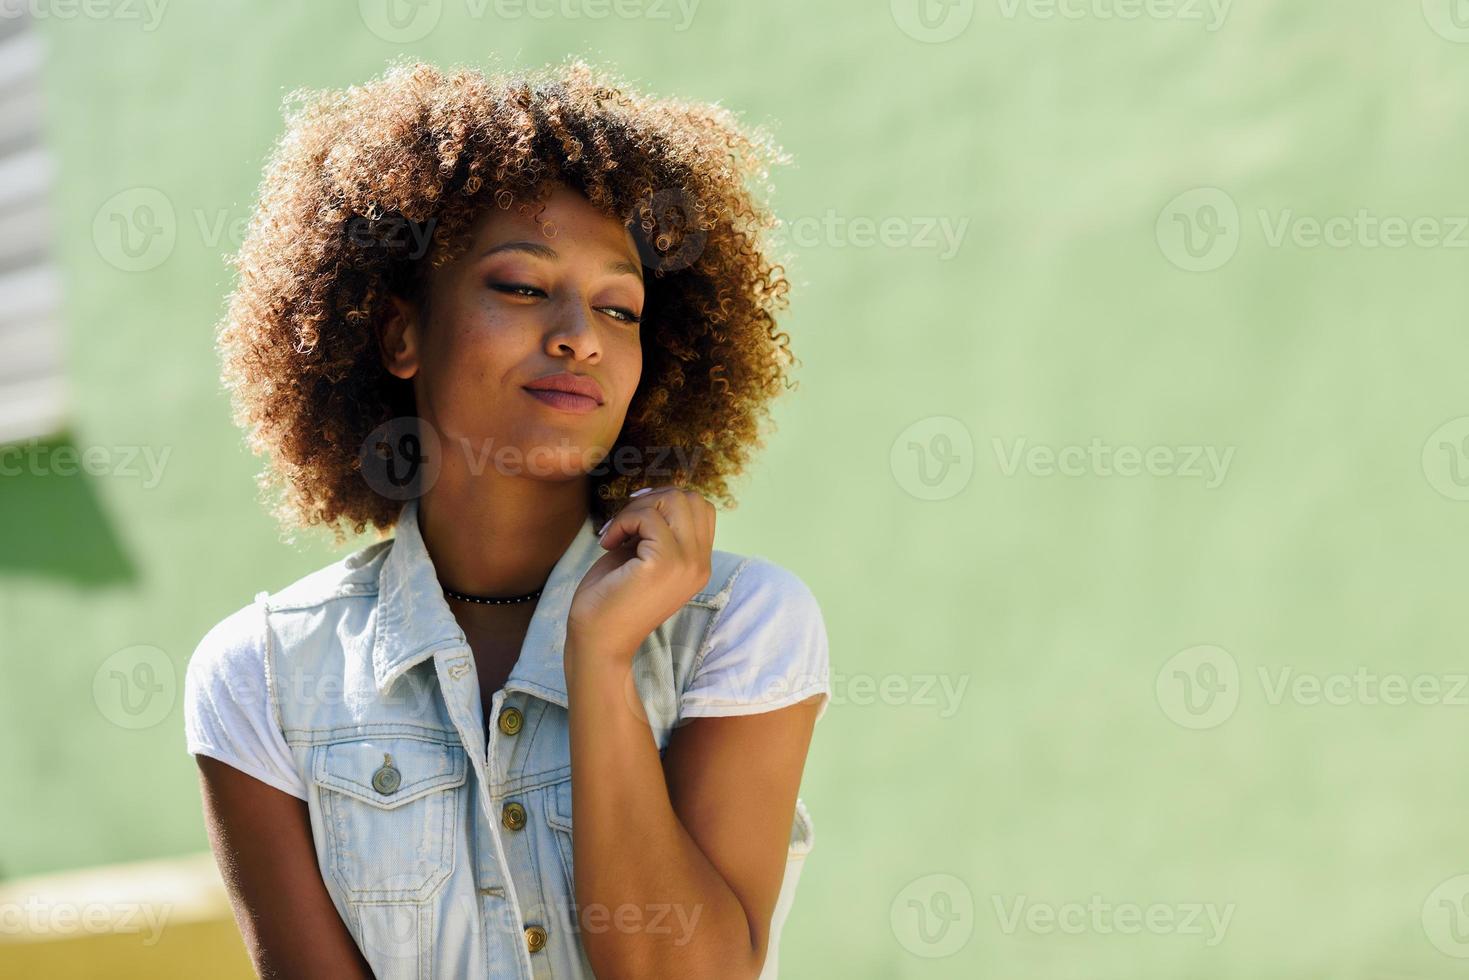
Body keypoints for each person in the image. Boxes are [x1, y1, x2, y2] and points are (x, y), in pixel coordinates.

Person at [183, 57, 831, 979]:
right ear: (400, 335)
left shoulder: (741, 625)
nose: (580, 335)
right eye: (523, 287)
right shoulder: (261, 676)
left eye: (620, 306)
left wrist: (601, 660)